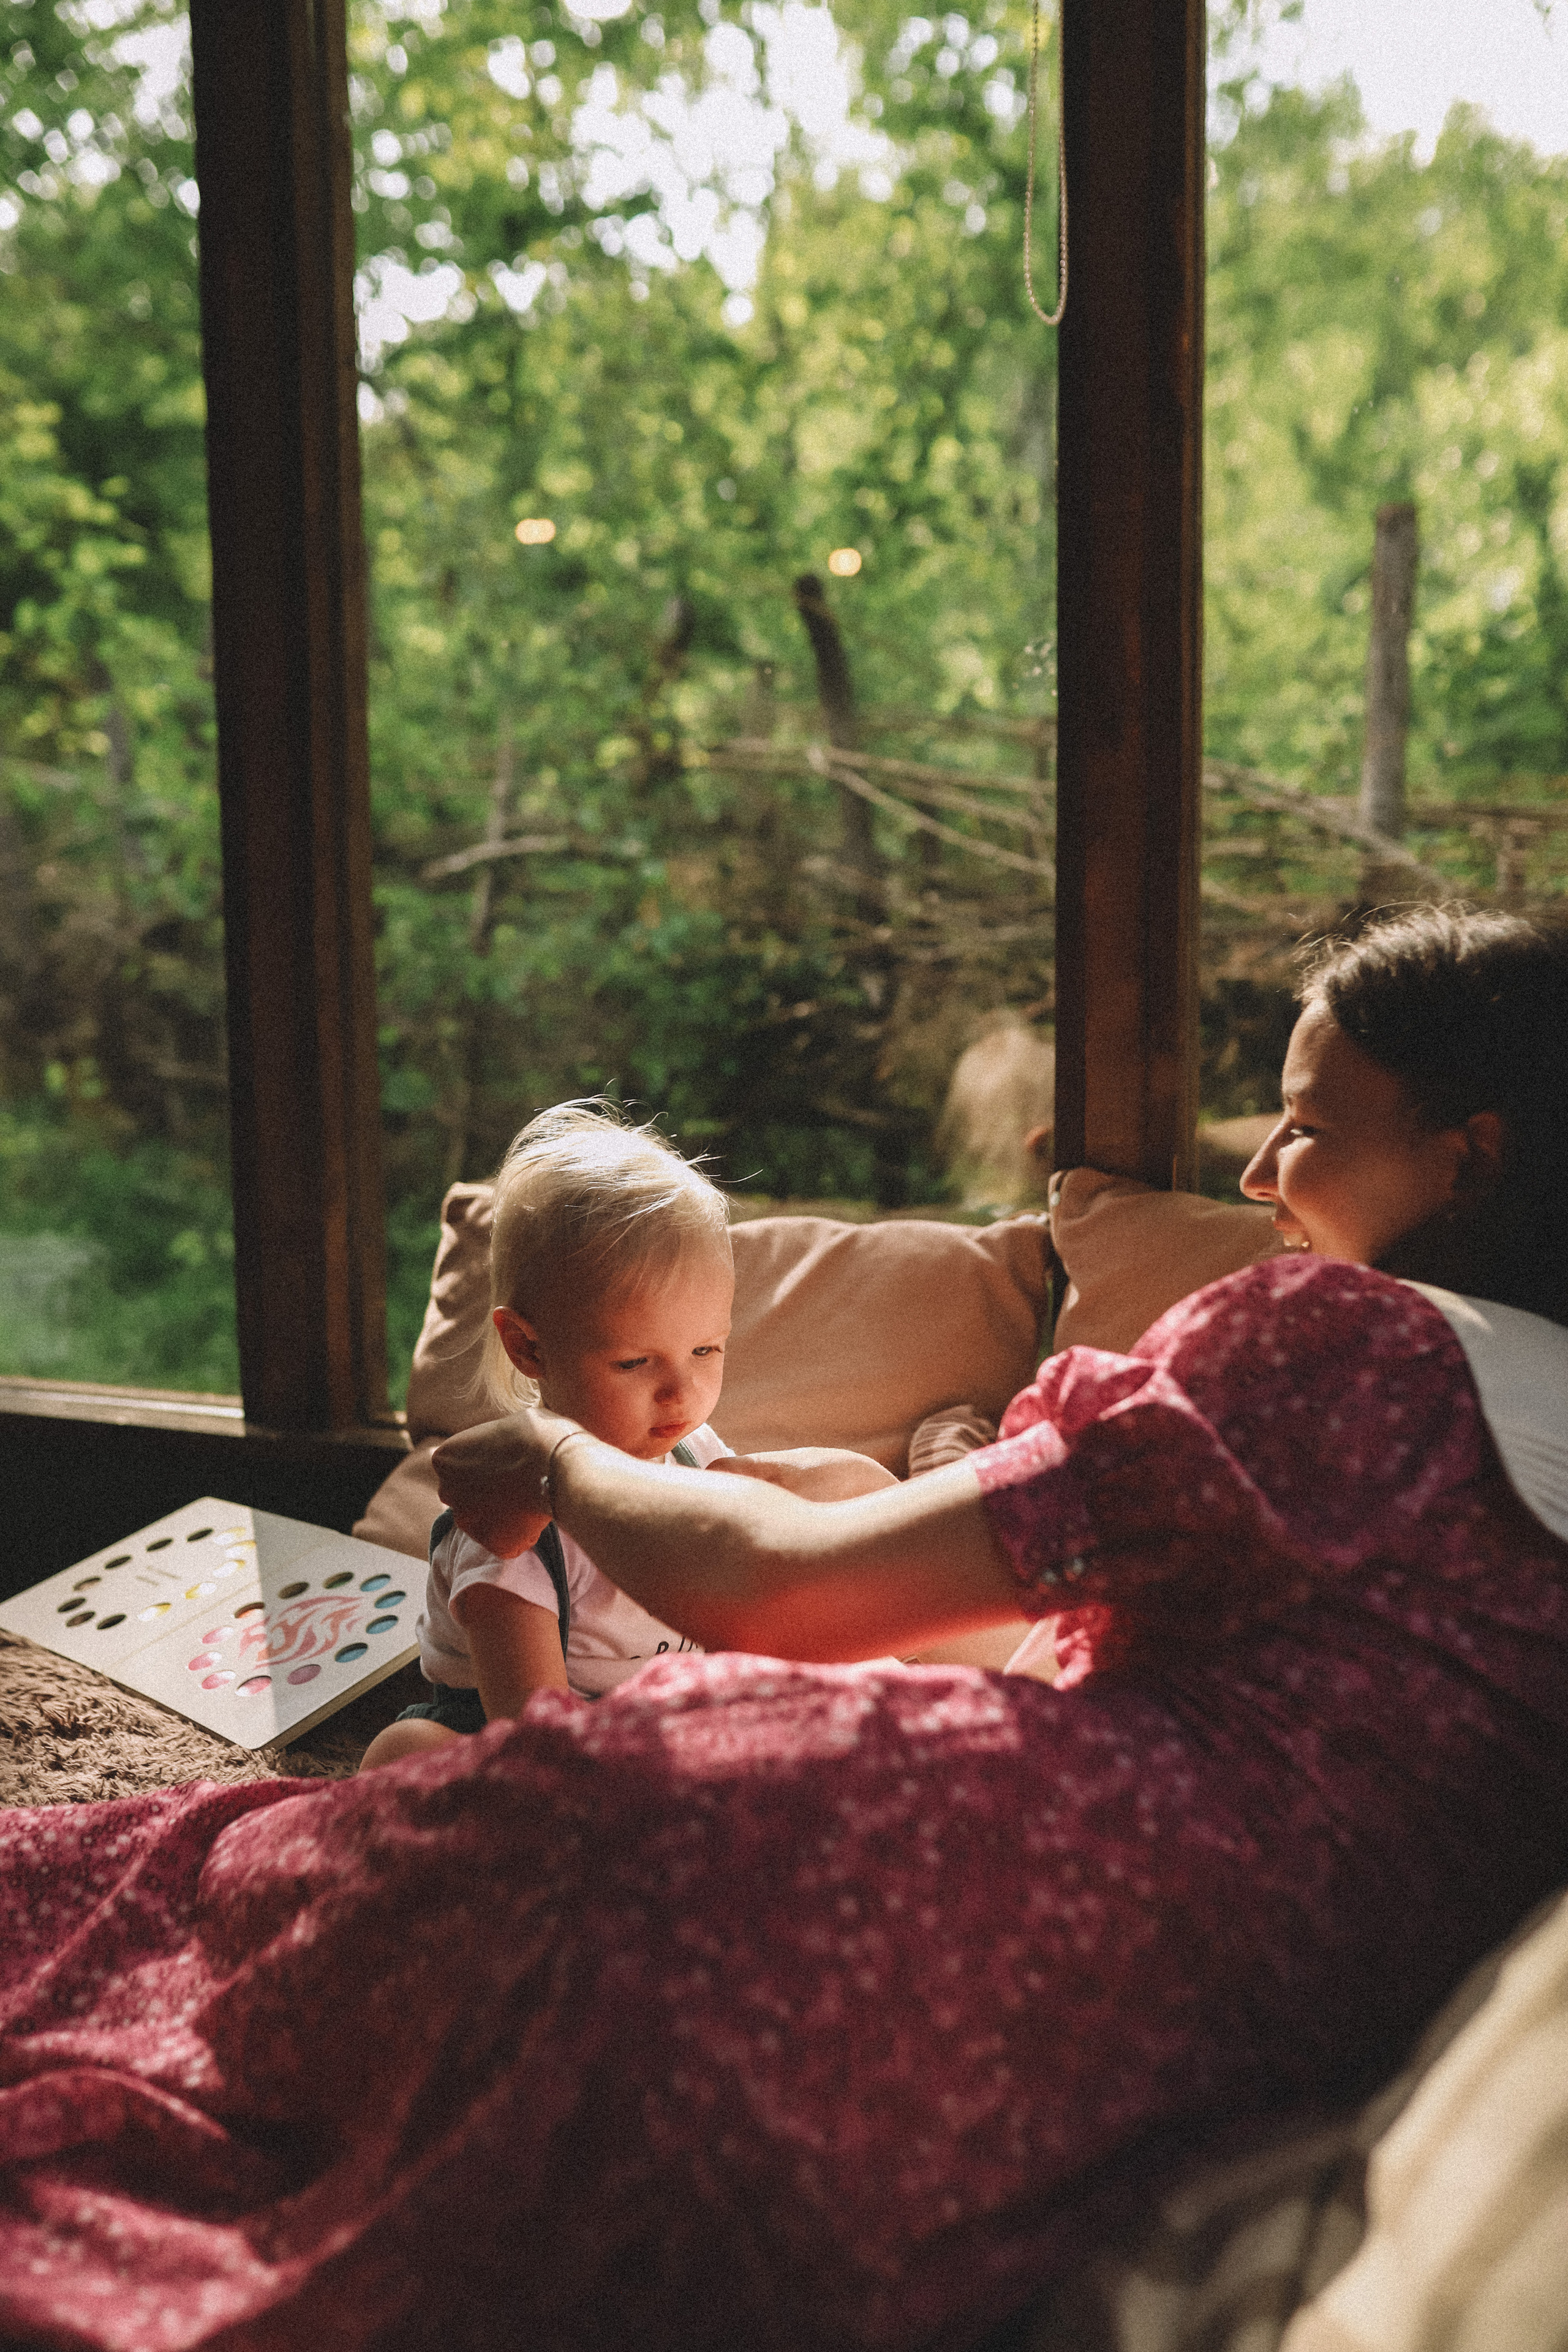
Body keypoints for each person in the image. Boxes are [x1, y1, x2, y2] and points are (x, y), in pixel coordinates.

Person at [1, 908, 1567, 2352]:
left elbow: (788, 1589)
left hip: (901, 1891)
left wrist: (556, 1455)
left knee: (224, 1896)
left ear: (1470, 1160)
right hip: (1173, 2046)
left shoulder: (1342, 1348)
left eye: (1301, 1124)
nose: (1252, 1174)